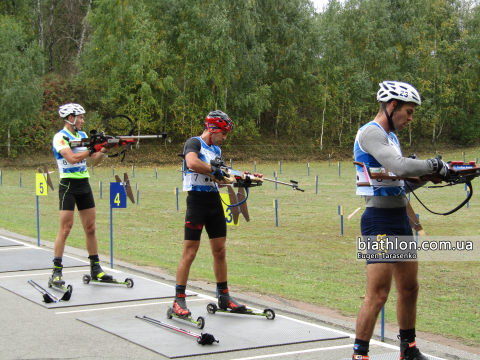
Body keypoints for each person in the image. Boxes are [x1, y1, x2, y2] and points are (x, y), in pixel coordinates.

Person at [352, 81, 449, 360]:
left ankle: (408, 349)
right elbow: (400, 166)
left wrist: (434, 178)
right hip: (379, 221)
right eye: (407, 111)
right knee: (378, 294)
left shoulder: (391, 138)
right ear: (391, 105)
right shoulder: (371, 133)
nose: (410, 118)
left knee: (409, 287)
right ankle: (360, 355)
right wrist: (433, 165)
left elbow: (399, 184)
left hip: (399, 219)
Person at [173, 110, 247, 317]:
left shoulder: (217, 150)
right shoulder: (194, 143)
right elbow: (192, 163)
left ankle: (224, 297)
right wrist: (214, 171)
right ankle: (179, 299)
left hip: (214, 203)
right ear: (212, 128)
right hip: (196, 202)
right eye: (223, 133)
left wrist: (240, 180)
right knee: (190, 253)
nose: (224, 138)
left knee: (220, 251)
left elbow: (220, 180)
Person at [50, 103, 113, 287]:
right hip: (68, 185)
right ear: (71, 118)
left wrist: (103, 149)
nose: (83, 121)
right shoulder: (60, 137)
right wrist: (92, 149)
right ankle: (56, 272)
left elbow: (93, 162)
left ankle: (95, 269)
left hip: (84, 184)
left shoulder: (84, 136)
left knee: (91, 228)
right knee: (66, 228)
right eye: (81, 117)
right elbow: (71, 158)